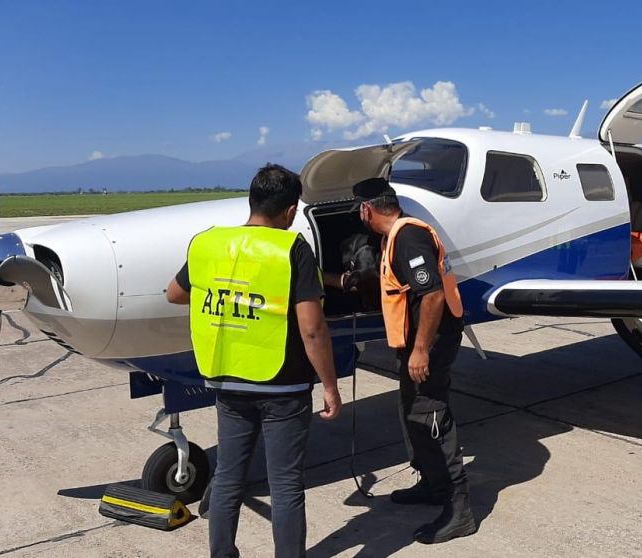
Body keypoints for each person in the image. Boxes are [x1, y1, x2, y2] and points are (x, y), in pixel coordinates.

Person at [166, 163, 342, 557]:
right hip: (284, 384)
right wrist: (330, 385)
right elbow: (312, 330)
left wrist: (225, 295)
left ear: (252, 200)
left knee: (228, 478)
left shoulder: (207, 244)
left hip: (227, 381)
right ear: (291, 210)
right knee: (285, 485)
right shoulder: (291, 249)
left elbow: (173, 294)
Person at [352, 176, 477, 544]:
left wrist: (420, 349)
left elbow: (433, 295)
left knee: (430, 414)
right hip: (419, 339)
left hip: (431, 341)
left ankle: (459, 511)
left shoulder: (408, 236)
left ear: (367, 209)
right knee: (413, 410)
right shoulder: (396, 237)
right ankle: (434, 485)